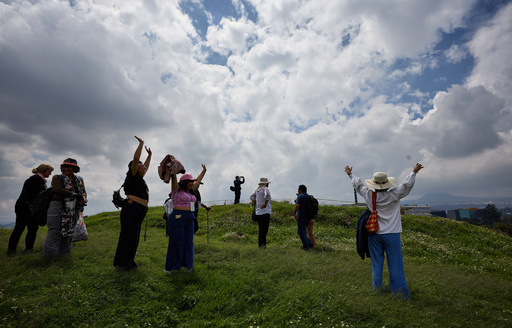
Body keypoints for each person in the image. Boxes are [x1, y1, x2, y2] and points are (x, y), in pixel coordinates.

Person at [345, 163, 424, 300]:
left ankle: (377, 289)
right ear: (387, 183)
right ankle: (399, 293)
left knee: (376, 263)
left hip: (374, 233)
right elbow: (407, 185)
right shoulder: (395, 194)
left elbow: (358, 184)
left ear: (373, 184)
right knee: (396, 264)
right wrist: (414, 172)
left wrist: (350, 174)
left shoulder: (369, 194)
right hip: (392, 234)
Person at [113, 136, 152, 271]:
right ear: (134, 168)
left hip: (138, 211)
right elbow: (136, 160)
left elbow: (145, 166)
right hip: (131, 209)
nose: (143, 167)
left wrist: (150, 155)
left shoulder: (140, 179)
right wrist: (141, 144)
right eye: (141, 165)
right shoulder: (133, 175)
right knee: (128, 236)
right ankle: (122, 264)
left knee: (134, 237)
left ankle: (129, 261)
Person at [165, 164, 207, 272]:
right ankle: (172, 267)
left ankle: (188, 265)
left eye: (193, 182)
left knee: (188, 242)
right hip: (178, 217)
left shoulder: (191, 191)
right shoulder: (176, 190)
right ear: (184, 182)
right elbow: (173, 179)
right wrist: (173, 171)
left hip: (190, 218)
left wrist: (204, 171)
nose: (192, 183)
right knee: (177, 241)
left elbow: (198, 181)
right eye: (190, 181)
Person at [43, 159, 87, 259]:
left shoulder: (79, 179)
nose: (65, 168)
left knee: (69, 232)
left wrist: (83, 198)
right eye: (63, 167)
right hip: (58, 206)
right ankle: (49, 258)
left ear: (74, 168)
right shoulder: (57, 178)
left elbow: (83, 192)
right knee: (55, 232)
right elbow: (58, 190)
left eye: (69, 167)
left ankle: (64, 257)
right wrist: (76, 195)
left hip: (73, 208)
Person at [8, 164, 54, 255]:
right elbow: (40, 195)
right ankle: (26, 249)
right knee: (28, 229)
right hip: (27, 208)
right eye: (50, 171)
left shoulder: (35, 179)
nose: (50, 173)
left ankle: (13, 250)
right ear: (44, 170)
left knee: (21, 228)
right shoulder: (37, 180)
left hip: (24, 206)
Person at [250, 178, 272, 248]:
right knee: (265, 230)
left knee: (261, 230)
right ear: (265, 183)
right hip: (265, 212)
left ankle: (261, 245)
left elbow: (251, 197)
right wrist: (265, 204)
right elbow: (267, 195)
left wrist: (258, 203)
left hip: (258, 213)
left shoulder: (257, 190)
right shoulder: (265, 189)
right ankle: (263, 245)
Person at [293, 184, 313, 250]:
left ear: (300, 190)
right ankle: (309, 243)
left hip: (301, 217)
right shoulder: (308, 197)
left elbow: (297, 205)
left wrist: (294, 213)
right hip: (308, 217)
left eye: (298, 190)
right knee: (300, 231)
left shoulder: (300, 196)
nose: (297, 191)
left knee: (302, 232)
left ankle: (306, 247)